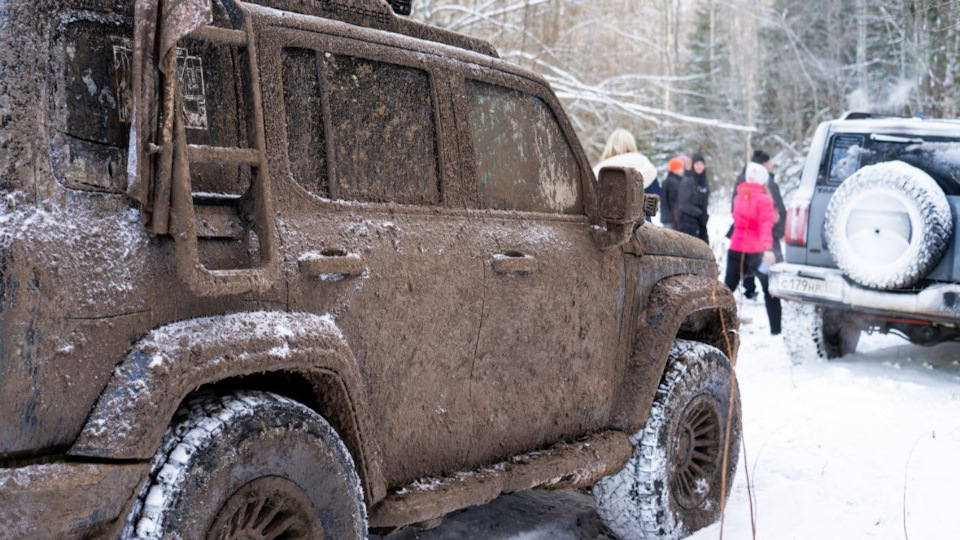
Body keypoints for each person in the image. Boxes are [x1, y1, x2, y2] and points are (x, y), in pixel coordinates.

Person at [725, 162, 782, 335]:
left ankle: (718, 321)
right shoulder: (765, 200)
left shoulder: (738, 197)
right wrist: (768, 249)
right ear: (763, 181)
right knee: (769, 290)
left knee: (727, 289)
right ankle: (776, 330)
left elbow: (739, 220)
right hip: (758, 253)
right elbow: (765, 225)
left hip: (736, 248)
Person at [731, 150, 786, 298]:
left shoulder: (741, 185)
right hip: (762, 238)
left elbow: (735, 210)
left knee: (741, 273)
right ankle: (770, 293)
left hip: (743, 238)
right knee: (767, 274)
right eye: (768, 162)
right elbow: (775, 211)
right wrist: (779, 230)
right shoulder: (763, 189)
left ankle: (750, 291)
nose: (771, 165)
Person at [677, 154, 710, 243]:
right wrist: (699, 213)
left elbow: (705, 203)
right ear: (693, 166)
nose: (699, 167)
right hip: (688, 223)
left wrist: (705, 216)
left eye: (702, 164)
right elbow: (683, 204)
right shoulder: (687, 181)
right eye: (697, 164)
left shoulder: (705, 182)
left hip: (701, 224)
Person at [660, 157, 686, 230]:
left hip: (667, 218)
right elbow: (674, 203)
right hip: (672, 219)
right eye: (681, 168)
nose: (682, 170)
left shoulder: (667, 180)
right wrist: (678, 218)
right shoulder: (674, 182)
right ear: (675, 169)